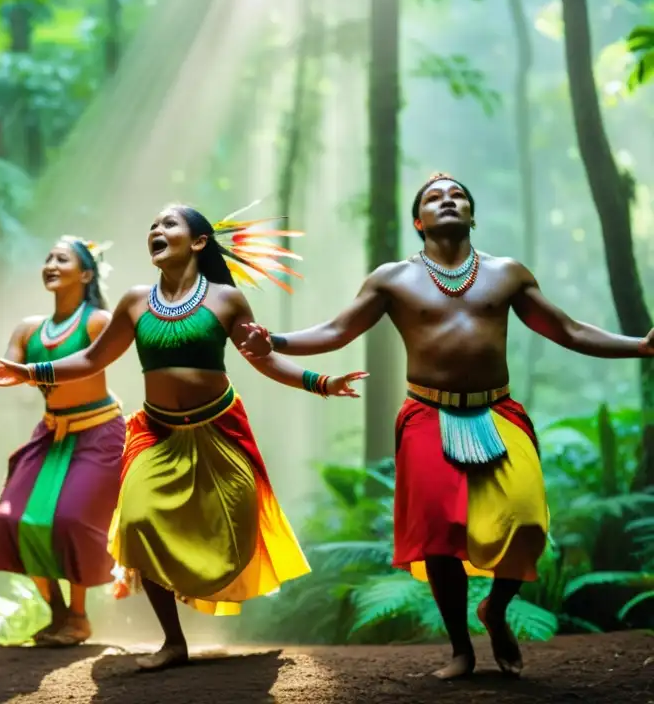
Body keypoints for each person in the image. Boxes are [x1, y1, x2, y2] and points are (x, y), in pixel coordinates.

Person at [238, 172, 654, 679]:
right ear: (419, 221)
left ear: (472, 215)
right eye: (435, 198)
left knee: (527, 522)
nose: (448, 200)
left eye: (459, 195)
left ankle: (495, 610)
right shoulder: (392, 279)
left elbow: (566, 329)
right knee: (438, 535)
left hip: (498, 412)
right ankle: (461, 648)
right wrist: (274, 342)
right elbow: (335, 330)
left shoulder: (508, 274)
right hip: (427, 416)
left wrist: (639, 345)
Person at [0, 203, 367, 670]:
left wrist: (320, 383)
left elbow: (262, 357)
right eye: (152, 225)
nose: (156, 230)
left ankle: (204, 601)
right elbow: (92, 359)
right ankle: (173, 642)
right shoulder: (135, 301)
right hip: (156, 432)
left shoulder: (226, 299)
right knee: (138, 521)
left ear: (198, 242)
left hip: (218, 430)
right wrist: (29, 370)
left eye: (168, 224)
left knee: (233, 529)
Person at [0, 236, 125, 647]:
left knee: (69, 520)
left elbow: (88, 362)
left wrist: (31, 371)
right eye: (48, 258)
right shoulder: (29, 328)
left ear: (86, 274)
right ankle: (59, 614)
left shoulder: (98, 322)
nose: (50, 264)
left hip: (99, 431)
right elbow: (9, 366)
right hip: (51, 432)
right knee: (9, 520)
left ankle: (80, 616)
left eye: (61, 259)